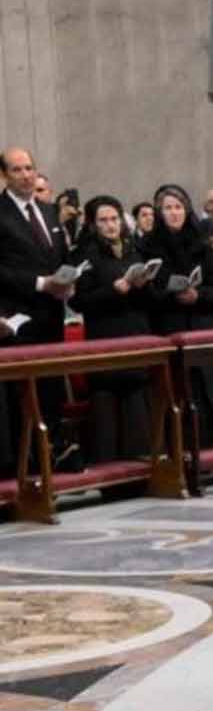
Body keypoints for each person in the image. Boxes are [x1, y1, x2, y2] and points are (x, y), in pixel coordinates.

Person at [0, 145, 79, 471]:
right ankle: (28, 467)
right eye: (17, 170)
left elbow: (59, 259)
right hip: (16, 321)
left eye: (29, 168)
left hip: (51, 317)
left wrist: (66, 284)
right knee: (23, 400)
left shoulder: (48, 212)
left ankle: (52, 464)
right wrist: (39, 283)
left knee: (50, 395)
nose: (26, 175)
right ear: (4, 175)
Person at [67, 197, 156, 465]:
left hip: (136, 333)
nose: (111, 225)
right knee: (106, 408)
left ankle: (141, 468)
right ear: (93, 225)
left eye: (115, 219)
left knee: (137, 404)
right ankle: (109, 471)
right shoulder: (84, 255)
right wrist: (112, 291)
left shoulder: (134, 250)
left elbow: (151, 298)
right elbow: (78, 300)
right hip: (105, 337)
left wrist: (143, 285)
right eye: (103, 220)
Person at [145, 184, 213, 441]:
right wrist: (168, 293)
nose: (174, 213)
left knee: (205, 392)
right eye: (168, 208)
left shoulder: (202, 245)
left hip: (201, 326)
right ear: (159, 213)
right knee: (176, 393)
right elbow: (146, 289)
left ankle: (208, 446)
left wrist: (198, 295)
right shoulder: (147, 246)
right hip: (167, 327)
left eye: (178, 207)